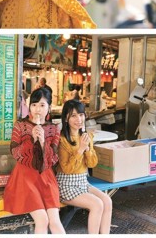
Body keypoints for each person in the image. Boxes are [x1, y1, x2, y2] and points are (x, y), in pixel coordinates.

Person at [4, 87, 65, 234]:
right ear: (29, 106)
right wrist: (32, 139)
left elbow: (53, 159)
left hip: (46, 178)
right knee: (42, 219)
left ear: (49, 107)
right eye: (34, 104)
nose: (37, 109)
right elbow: (15, 153)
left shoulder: (54, 128)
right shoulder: (20, 125)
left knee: (55, 221)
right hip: (24, 178)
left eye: (42, 105)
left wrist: (43, 142)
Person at [56, 100, 112, 234]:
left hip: (82, 182)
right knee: (97, 205)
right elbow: (67, 169)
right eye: (73, 115)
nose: (78, 119)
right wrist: (80, 150)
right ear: (65, 118)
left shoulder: (87, 136)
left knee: (107, 201)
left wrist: (87, 149)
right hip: (65, 185)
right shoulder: (62, 139)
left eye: (81, 115)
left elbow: (92, 164)